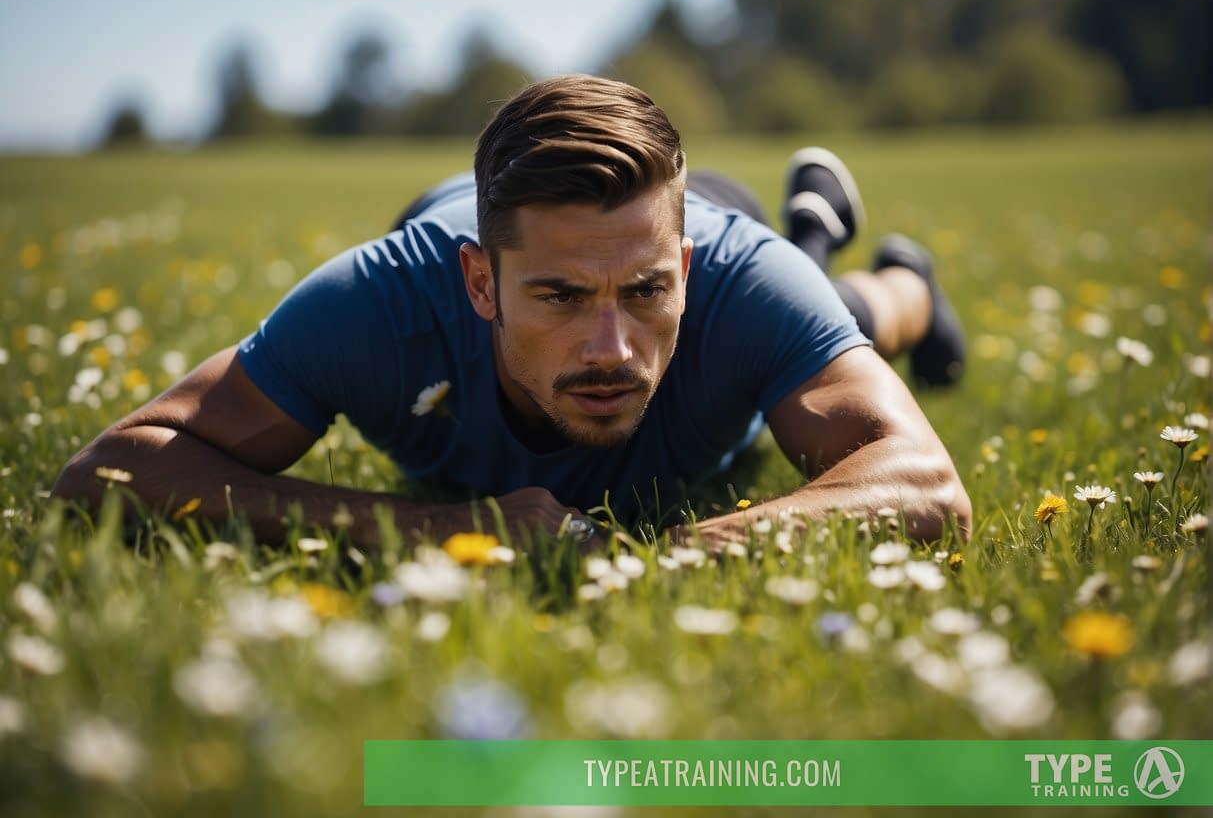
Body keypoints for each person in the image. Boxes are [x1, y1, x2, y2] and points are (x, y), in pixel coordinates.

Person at [52, 74, 971, 552]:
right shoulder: (375, 304)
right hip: (456, 200)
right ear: (481, 287)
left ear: (684, 271)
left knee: (825, 304)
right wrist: (440, 533)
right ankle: (822, 235)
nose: (609, 348)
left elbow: (929, 489)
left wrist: (687, 552)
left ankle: (893, 280)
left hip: (730, 218)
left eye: (648, 293)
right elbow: (106, 472)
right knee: (794, 319)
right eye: (560, 298)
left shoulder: (737, 278)